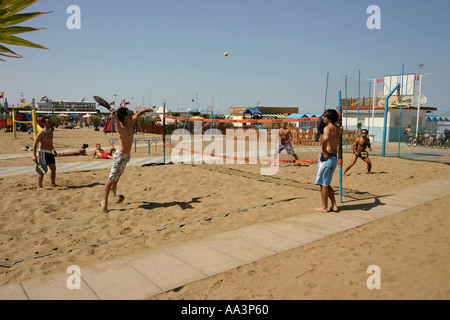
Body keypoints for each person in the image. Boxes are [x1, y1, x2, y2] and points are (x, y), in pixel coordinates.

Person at [101, 106, 153, 213]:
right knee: (110, 179)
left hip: (126, 156)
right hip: (119, 156)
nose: (131, 114)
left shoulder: (130, 123)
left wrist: (145, 110)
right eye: (129, 113)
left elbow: (137, 115)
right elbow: (118, 128)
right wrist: (114, 116)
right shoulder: (122, 129)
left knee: (119, 174)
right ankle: (104, 202)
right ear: (125, 117)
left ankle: (114, 187)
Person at [314, 109, 342, 213]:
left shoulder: (327, 128)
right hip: (334, 157)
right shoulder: (338, 128)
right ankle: (334, 205)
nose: (323, 118)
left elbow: (325, 138)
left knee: (323, 183)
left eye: (325, 116)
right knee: (326, 182)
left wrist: (323, 149)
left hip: (327, 157)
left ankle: (324, 207)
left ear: (329, 118)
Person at [32, 116, 57, 190]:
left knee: (53, 168)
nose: (50, 123)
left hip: (50, 152)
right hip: (43, 152)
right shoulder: (41, 133)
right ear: (44, 123)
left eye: (50, 122)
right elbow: (35, 144)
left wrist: (54, 149)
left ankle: (53, 183)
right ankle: (39, 186)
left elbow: (51, 142)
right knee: (42, 169)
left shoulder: (51, 131)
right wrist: (34, 155)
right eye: (48, 122)